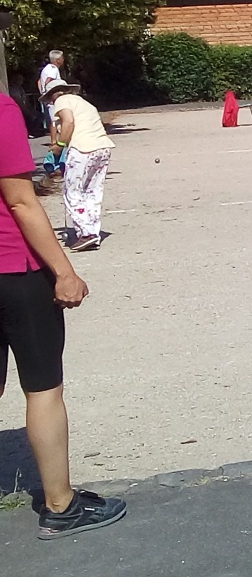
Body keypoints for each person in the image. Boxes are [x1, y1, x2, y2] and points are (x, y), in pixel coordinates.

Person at [0, 85, 126, 539]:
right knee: (42, 386)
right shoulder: (1, 108)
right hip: (12, 266)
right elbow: (19, 199)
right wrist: (64, 270)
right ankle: (61, 505)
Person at [40, 80, 115, 252]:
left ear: (53, 95)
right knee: (92, 191)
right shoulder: (84, 103)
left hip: (82, 149)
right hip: (102, 147)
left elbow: (69, 122)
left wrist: (59, 145)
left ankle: (86, 233)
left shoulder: (61, 101)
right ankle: (93, 232)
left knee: (72, 191)